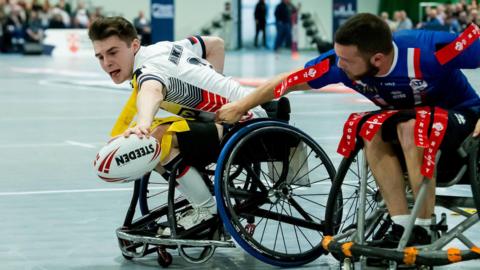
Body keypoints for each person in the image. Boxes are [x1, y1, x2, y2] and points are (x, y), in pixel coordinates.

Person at [217, 13, 480, 249]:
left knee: (411, 126)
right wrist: (241, 106)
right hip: (408, 125)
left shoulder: (429, 50)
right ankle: (401, 223)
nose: (338, 65)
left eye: (346, 60)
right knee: (371, 128)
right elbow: (288, 80)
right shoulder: (342, 65)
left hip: (462, 119)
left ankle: (423, 229)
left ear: (377, 58)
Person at [88, 17, 267, 235]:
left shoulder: (147, 67)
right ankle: (200, 197)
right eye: (100, 56)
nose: (106, 62)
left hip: (244, 122)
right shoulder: (165, 47)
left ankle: (207, 211)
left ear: (134, 46)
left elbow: (151, 91)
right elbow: (215, 44)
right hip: (238, 116)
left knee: (154, 142)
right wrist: (213, 80)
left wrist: (143, 124)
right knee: (158, 137)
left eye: (113, 52)